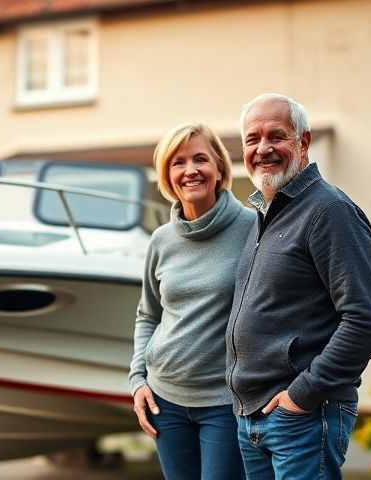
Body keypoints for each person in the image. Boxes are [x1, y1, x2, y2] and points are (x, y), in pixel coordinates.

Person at [225, 93, 371, 479]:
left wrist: (302, 395)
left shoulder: (328, 211)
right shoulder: (264, 216)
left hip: (302, 416)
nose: (263, 148)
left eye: (276, 136)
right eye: (252, 139)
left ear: (303, 142)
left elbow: (368, 321)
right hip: (252, 417)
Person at [128, 123, 254, 480]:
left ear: (219, 169)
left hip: (225, 403)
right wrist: (137, 380)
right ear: (167, 175)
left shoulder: (251, 228)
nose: (190, 170)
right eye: (178, 162)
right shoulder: (161, 240)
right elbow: (147, 314)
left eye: (200, 159)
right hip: (164, 399)